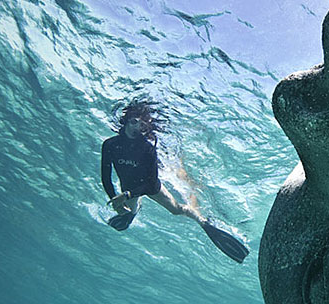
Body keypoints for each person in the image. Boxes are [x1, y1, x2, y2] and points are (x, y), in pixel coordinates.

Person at [100, 98, 249, 263]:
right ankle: (134, 209)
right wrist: (114, 198)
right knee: (128, 211)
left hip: (150, 187)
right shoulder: (110, 145)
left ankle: (203, 222)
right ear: (126, 121)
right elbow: (106, 177)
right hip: (129, 187)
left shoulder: (147, 148)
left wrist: (127, 195)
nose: (137, 128)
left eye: (141, 125)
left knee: (176, 209)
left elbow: (151, 183)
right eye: (134, 122)